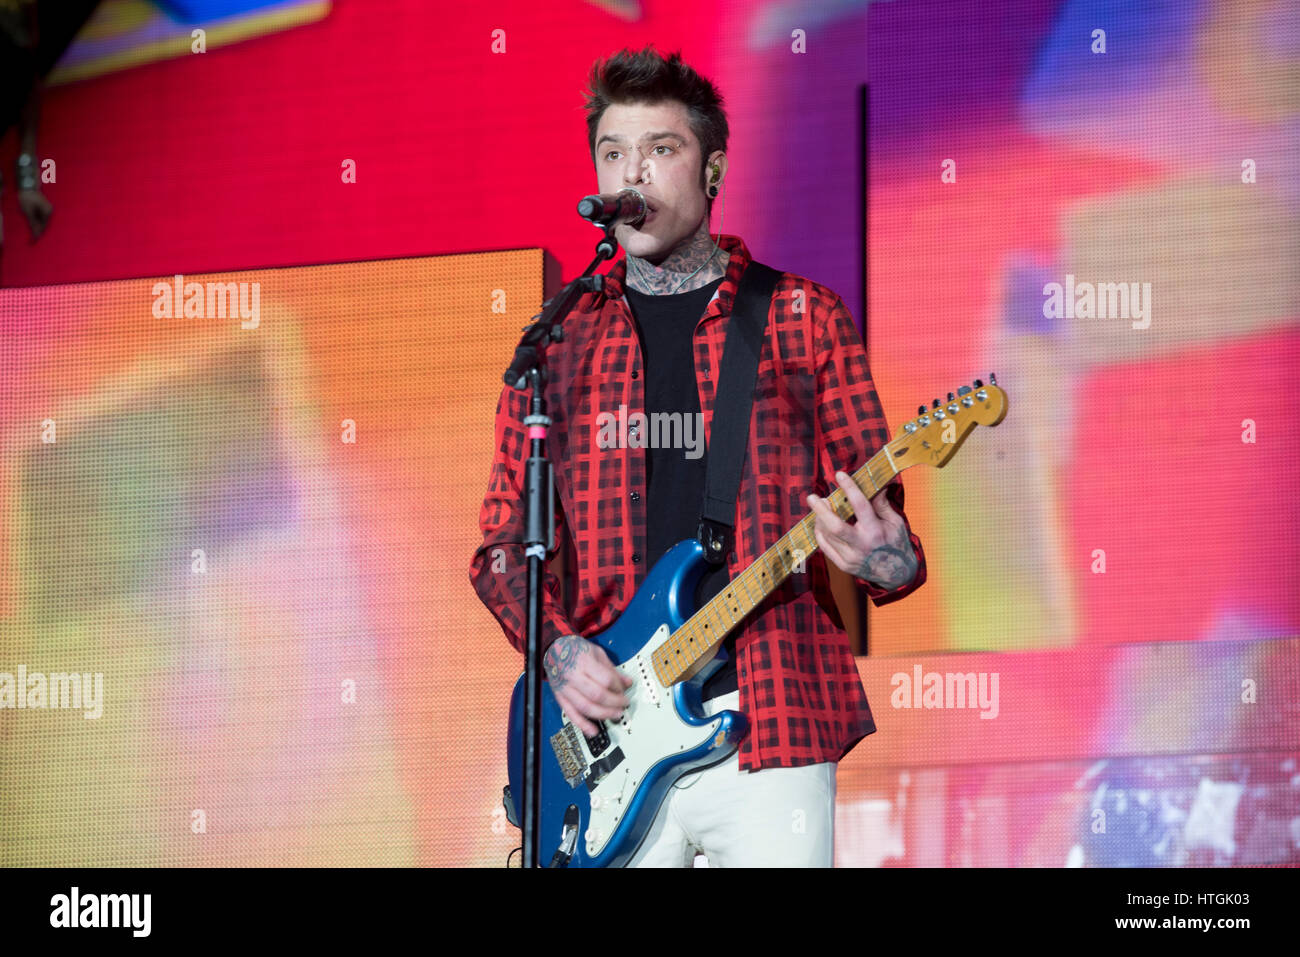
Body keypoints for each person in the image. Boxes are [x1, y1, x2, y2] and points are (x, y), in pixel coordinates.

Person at [469, 45, 925, 867]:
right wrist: (560, 654)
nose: (630, 172)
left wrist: (886, 560)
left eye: (660, 149)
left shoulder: (800, 316)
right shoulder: (558, 346)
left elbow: (885, 540)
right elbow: (502, 548)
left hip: (772, 712)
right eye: (613, 153)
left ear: (711, 170)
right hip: (608, 740)